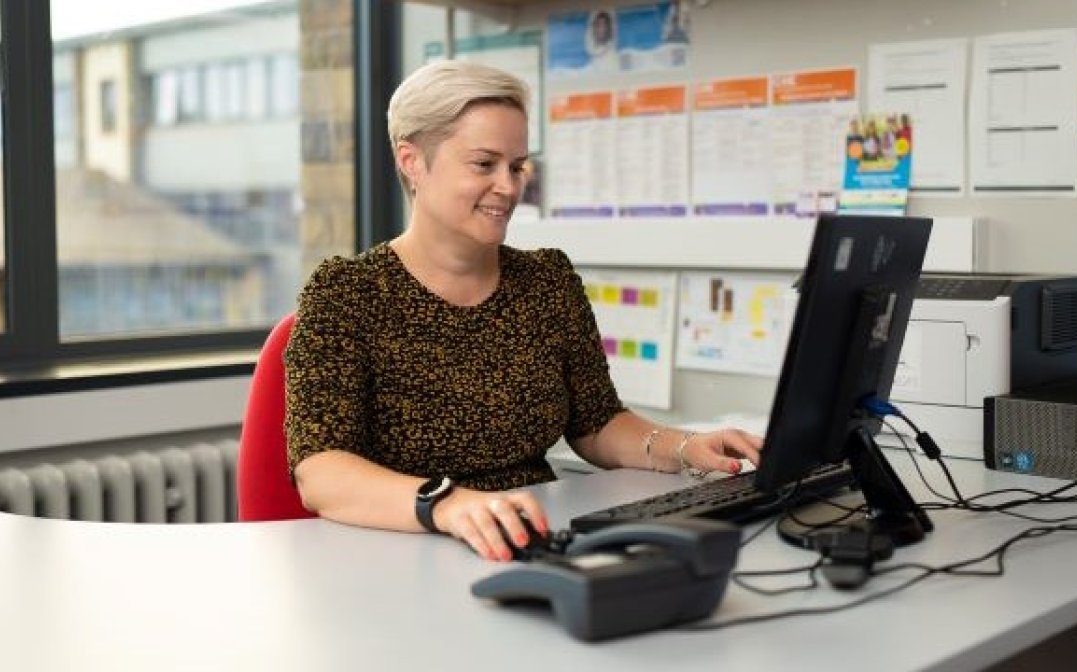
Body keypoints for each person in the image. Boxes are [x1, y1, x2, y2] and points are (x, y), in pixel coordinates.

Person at [285, 60, 763, 563]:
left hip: (536, 537)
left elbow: (597, 424)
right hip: (406, 548)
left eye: (517, 166)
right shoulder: (345, 293)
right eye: (484, 164)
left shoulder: (547, 280)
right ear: (412, 161)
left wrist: (687, 447)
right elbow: (321, 471)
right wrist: (446, 505)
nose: (509, 187)